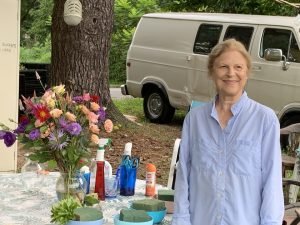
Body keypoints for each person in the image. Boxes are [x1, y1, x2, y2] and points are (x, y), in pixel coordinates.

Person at [172, 39, 284, 225]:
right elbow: (184, 176)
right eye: (223, 66)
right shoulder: (195, 120)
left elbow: (272, 183)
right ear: (212, 72)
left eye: (238, 67)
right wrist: (181, 220)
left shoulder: (265, 120)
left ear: (247, 72)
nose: (231, 73)